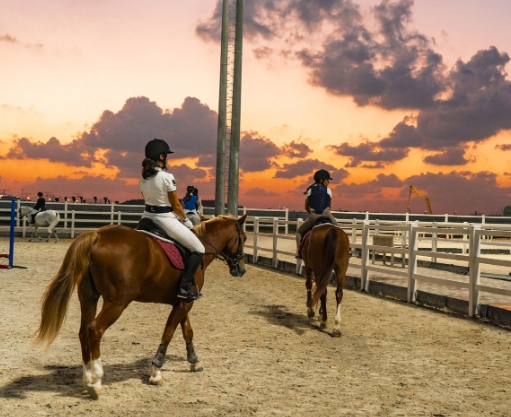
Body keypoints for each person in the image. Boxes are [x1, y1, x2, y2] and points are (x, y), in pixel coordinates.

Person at [139, 138, 205, 300]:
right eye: (166, 155)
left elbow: (146, 197)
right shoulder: (167, 177)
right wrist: (186, 221)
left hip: (146, 218)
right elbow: (176, 205)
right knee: (199, 249)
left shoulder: (143, 177)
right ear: (161, 157)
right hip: (164, 219)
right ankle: (184, 286)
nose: (167, 158)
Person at [295, 169, 339, 258]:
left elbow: (306, 207)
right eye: (327, 179)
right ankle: (347, 250)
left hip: (314, 215)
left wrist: (311, 213)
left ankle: (300, 252)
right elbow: (329, 206)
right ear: (322, 180)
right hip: (327, 214)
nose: (328, 182)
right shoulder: (328, 190)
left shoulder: (310, 191)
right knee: (339, 230)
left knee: (299, 232)